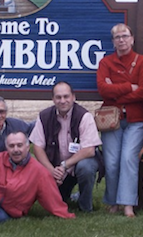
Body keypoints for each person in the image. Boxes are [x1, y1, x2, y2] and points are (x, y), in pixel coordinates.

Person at [96, 23, 143, 218]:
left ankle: (128, 204)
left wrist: (116, 91)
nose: (121, 40)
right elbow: (103, 90)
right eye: (117, 37)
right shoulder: (106, 63)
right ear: (113, 41)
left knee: (128, 158)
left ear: (132, 39)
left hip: (136, 120)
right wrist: (129, 86)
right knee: (111, 162)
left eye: (125, 36)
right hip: (111, 120)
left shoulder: (142, 62)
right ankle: (113, 202)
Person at [30, 81, 101, 213]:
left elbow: (89, 150)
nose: (62, 101)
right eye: (58, 97)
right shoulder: (44, 116)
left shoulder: (84, 116)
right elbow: (37, 148)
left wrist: (64, 166)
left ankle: (85, 206)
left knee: (86, 167)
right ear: (53, 99)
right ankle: (67, 196)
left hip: (76, 165)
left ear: (73, 97)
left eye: (66, 96)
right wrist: (52, 171)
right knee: (59, 199)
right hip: (56, 168)